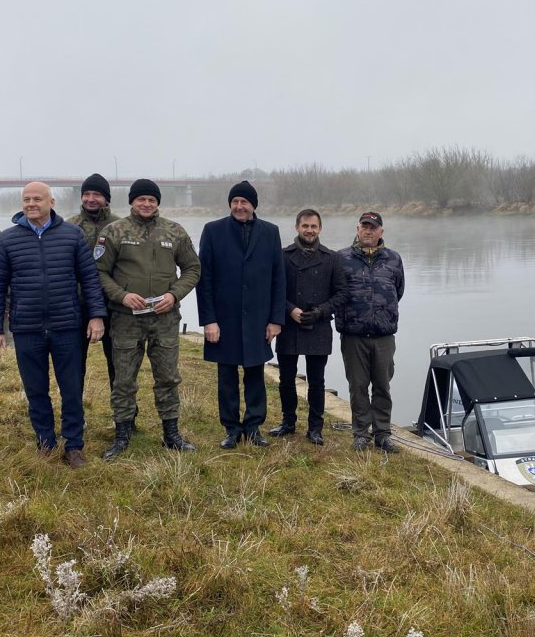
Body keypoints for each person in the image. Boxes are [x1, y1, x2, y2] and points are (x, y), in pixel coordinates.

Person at [0, 182, 107, 469]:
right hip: (27, 329)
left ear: (51, 202)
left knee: (71, 389)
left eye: (37, 199)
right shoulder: (8, 240)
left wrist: (97, 316)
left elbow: (89, 279)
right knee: (36, 390)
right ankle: (45, 443)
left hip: (67, 327)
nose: (30, 204)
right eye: (26, 199)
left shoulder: (72, 235)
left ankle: (74, 446)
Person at [94, 179, 201, 459]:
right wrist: (121, 295)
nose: (146, 204)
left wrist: (174, 295)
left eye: (151, 200)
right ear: (131, 201)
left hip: (164, 319)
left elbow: (192, 269)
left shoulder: (175, 232)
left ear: (158, 203)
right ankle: (122, 435)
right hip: (126, 318)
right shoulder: (114, 232)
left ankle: (171, 434)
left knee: (167, 377)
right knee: (124, 380)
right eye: (141, 199)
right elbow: (100, 272)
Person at [197, 180, 285, 449]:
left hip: (258, 318)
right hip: (224, 319)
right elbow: (205, 279)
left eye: (244, 202)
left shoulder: (270, 232)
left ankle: (254, 426)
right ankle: (232, 428)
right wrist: (209, 320)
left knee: (256, 374)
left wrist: (275, 320)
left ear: (253, 205)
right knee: (226, 376)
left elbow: (278, 278)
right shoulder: (212, 231)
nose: (239, 206)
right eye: (235, 202)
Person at [270, 209, 347, 445]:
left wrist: (321, 311)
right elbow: (274, 290)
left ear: (320, 229)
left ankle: (315, 428)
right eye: (305, 226)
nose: (309, 230)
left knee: (317, 381)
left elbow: (342, 293)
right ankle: (288, 422)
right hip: (289, 326)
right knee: (286, 378)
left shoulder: (332, 258)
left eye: (314, 226)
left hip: (319, 327)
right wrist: (290, 310)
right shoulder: (283, 256)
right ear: (297, 227)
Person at [336, 211, 405, 453]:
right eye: (364, 226)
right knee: (357, 387)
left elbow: (399, 291)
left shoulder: (394, 259)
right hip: (353, 336)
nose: (368, 231)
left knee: (383, 386)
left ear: (381, 232)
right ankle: (360, 434)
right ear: (357, 229)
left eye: (373, 227)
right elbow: (335, 293)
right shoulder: (341, 259)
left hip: (384, 336)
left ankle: (383, 434)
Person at [67, 173, 119, 389]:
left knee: (118, 364)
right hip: (76, 305)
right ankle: (75, 417)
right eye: (86, 194)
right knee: (74, 364)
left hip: (114, 305)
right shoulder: (68, 227)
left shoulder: (120, 226)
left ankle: (124, 417)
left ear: (106, 198)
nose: (90, 199)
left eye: (96, 194)